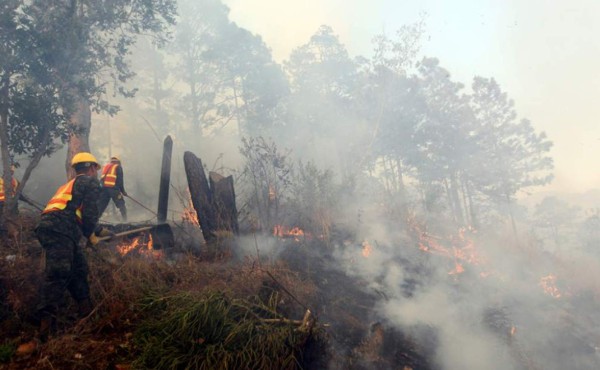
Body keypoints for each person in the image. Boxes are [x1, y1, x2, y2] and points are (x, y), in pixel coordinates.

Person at [34, 152, 113, 342]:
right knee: (59, 272)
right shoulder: (90, 182)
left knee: (79, 269)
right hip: (61, 229)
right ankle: (46, 328)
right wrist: (90, 234)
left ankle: (87, 314)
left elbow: (74, 210)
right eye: (96, 168)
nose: (96, 172)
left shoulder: (69, 185)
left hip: (58, 228)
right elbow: (90, 212)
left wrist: (98, 230)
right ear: (92, 167)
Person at [97, 155, 127, 221]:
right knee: (121, 204)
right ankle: (125, 220)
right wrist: (123, 191)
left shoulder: (106, 166)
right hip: (113, 189)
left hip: (104, 190)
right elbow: (120, 181)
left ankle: (95, 221)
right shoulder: (118, 167)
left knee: (101, 206)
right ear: (118, 161)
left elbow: (102, 179)